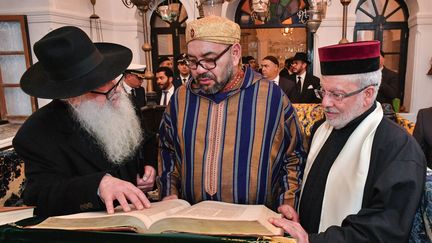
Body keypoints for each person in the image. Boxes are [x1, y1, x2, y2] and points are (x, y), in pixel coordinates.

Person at [269, 41, 426, 242]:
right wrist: (296, 208)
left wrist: (312, 240)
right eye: (323, 92)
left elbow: (384, 231)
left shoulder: (399, 149)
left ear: (368, 94)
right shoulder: (321, 129)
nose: (325, 103)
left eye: (337, 94)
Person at [158, 16, 306, 209]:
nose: (199, 70)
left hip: (254, 227)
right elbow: (167, 149)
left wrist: (287, 202)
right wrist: (170, 193)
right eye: (192, 61)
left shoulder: (271, 97)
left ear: (235, 53)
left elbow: (293, 156)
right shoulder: (181, 98)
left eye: (209, 60)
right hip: (192, 223)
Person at [12, 26, 156, 217]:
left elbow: (147, 140)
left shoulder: (120, 102)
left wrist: (149, 165)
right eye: (101, 86)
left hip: (137, 215)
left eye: (112, 80)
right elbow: (39, 194)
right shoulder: (36, 133)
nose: (115, 92)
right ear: (71, 96)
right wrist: (97, 185)